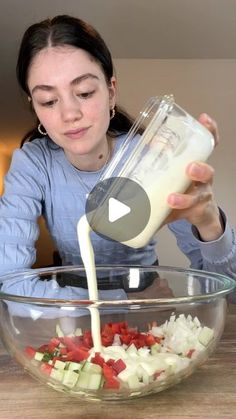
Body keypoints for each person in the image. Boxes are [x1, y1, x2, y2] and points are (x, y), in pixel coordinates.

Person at [0, 14, 236, 293]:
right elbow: (10, 280)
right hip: (77, 308)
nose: (69, 114)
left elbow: (229, 291)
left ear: (111, 91)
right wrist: (122, 301)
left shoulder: (150, 156)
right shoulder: (33, 163)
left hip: (146, 303)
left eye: (85, 92)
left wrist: (210, 224)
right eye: (48, 101)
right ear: (34, 106)